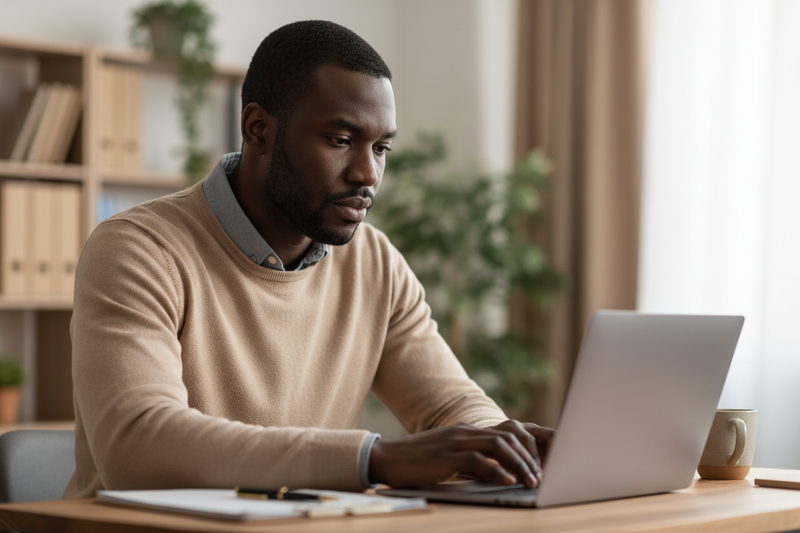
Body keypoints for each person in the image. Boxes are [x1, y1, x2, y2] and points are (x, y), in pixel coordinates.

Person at [64, 20, 554, 499]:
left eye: (381, 148)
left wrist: (504, 443)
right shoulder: (138, 250)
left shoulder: (375, 263)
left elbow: (448, 403)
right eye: (341, 141)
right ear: (258, 129)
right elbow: (136, 447)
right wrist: (372, 459)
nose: (368, 174)